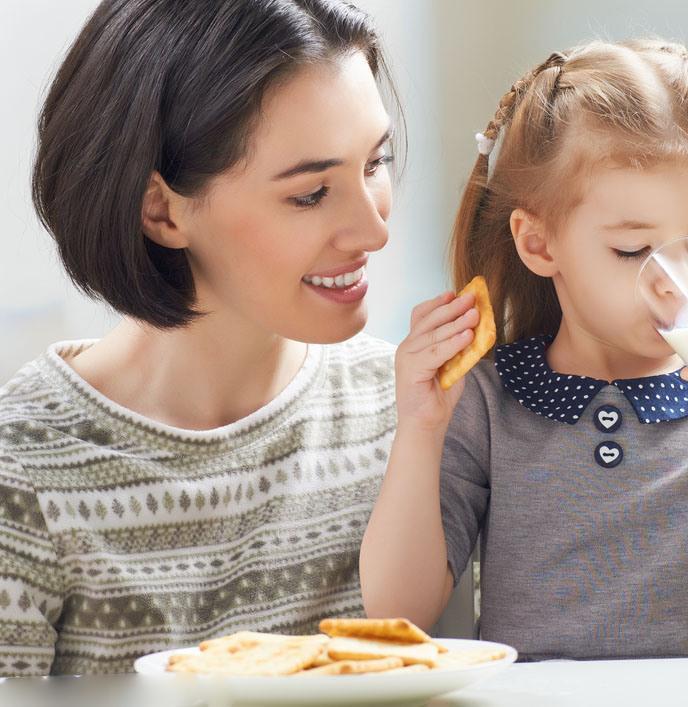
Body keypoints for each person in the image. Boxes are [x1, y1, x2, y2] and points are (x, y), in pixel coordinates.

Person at [361, 39, 688, 660]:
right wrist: (421, 431)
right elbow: (396, 612)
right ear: (539, 245)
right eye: (632, 250)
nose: (675, 279)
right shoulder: (489, 399)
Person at [0, 0, 400, 676]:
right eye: (311, 193)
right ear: (160, 209)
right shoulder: (25, 470)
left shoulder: (408, 413)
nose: (374, 231)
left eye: (375, 163)